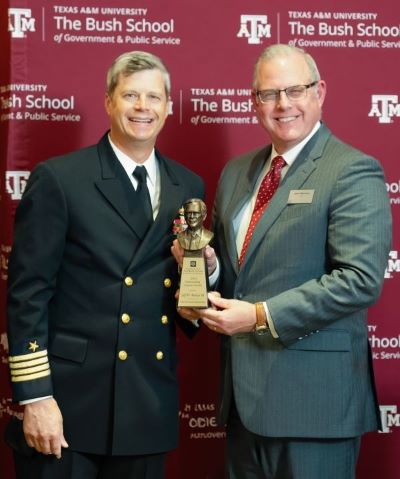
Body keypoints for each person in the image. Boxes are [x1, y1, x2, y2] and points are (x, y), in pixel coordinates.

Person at [173, 44, 391, 478]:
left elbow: (359, 280)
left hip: (314, 408)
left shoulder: (352, 170)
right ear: (254, 102)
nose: (282, 104)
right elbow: (237, 275)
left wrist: (257, 316)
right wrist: (206, 268)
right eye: (268, 94)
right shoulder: (238, 172)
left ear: (320, 92)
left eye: (295, 90)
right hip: (243, 405)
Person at [6, 51, 204, 479]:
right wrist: (36, 398)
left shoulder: (187, 186)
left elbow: (190, 295)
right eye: (130, 95)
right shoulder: (61, 179)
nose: (142, 107)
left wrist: (206, 276)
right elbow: (28, 294)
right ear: (108, 102)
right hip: (70, 403)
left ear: (169, 107)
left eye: (154, 97)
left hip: (148, 400)